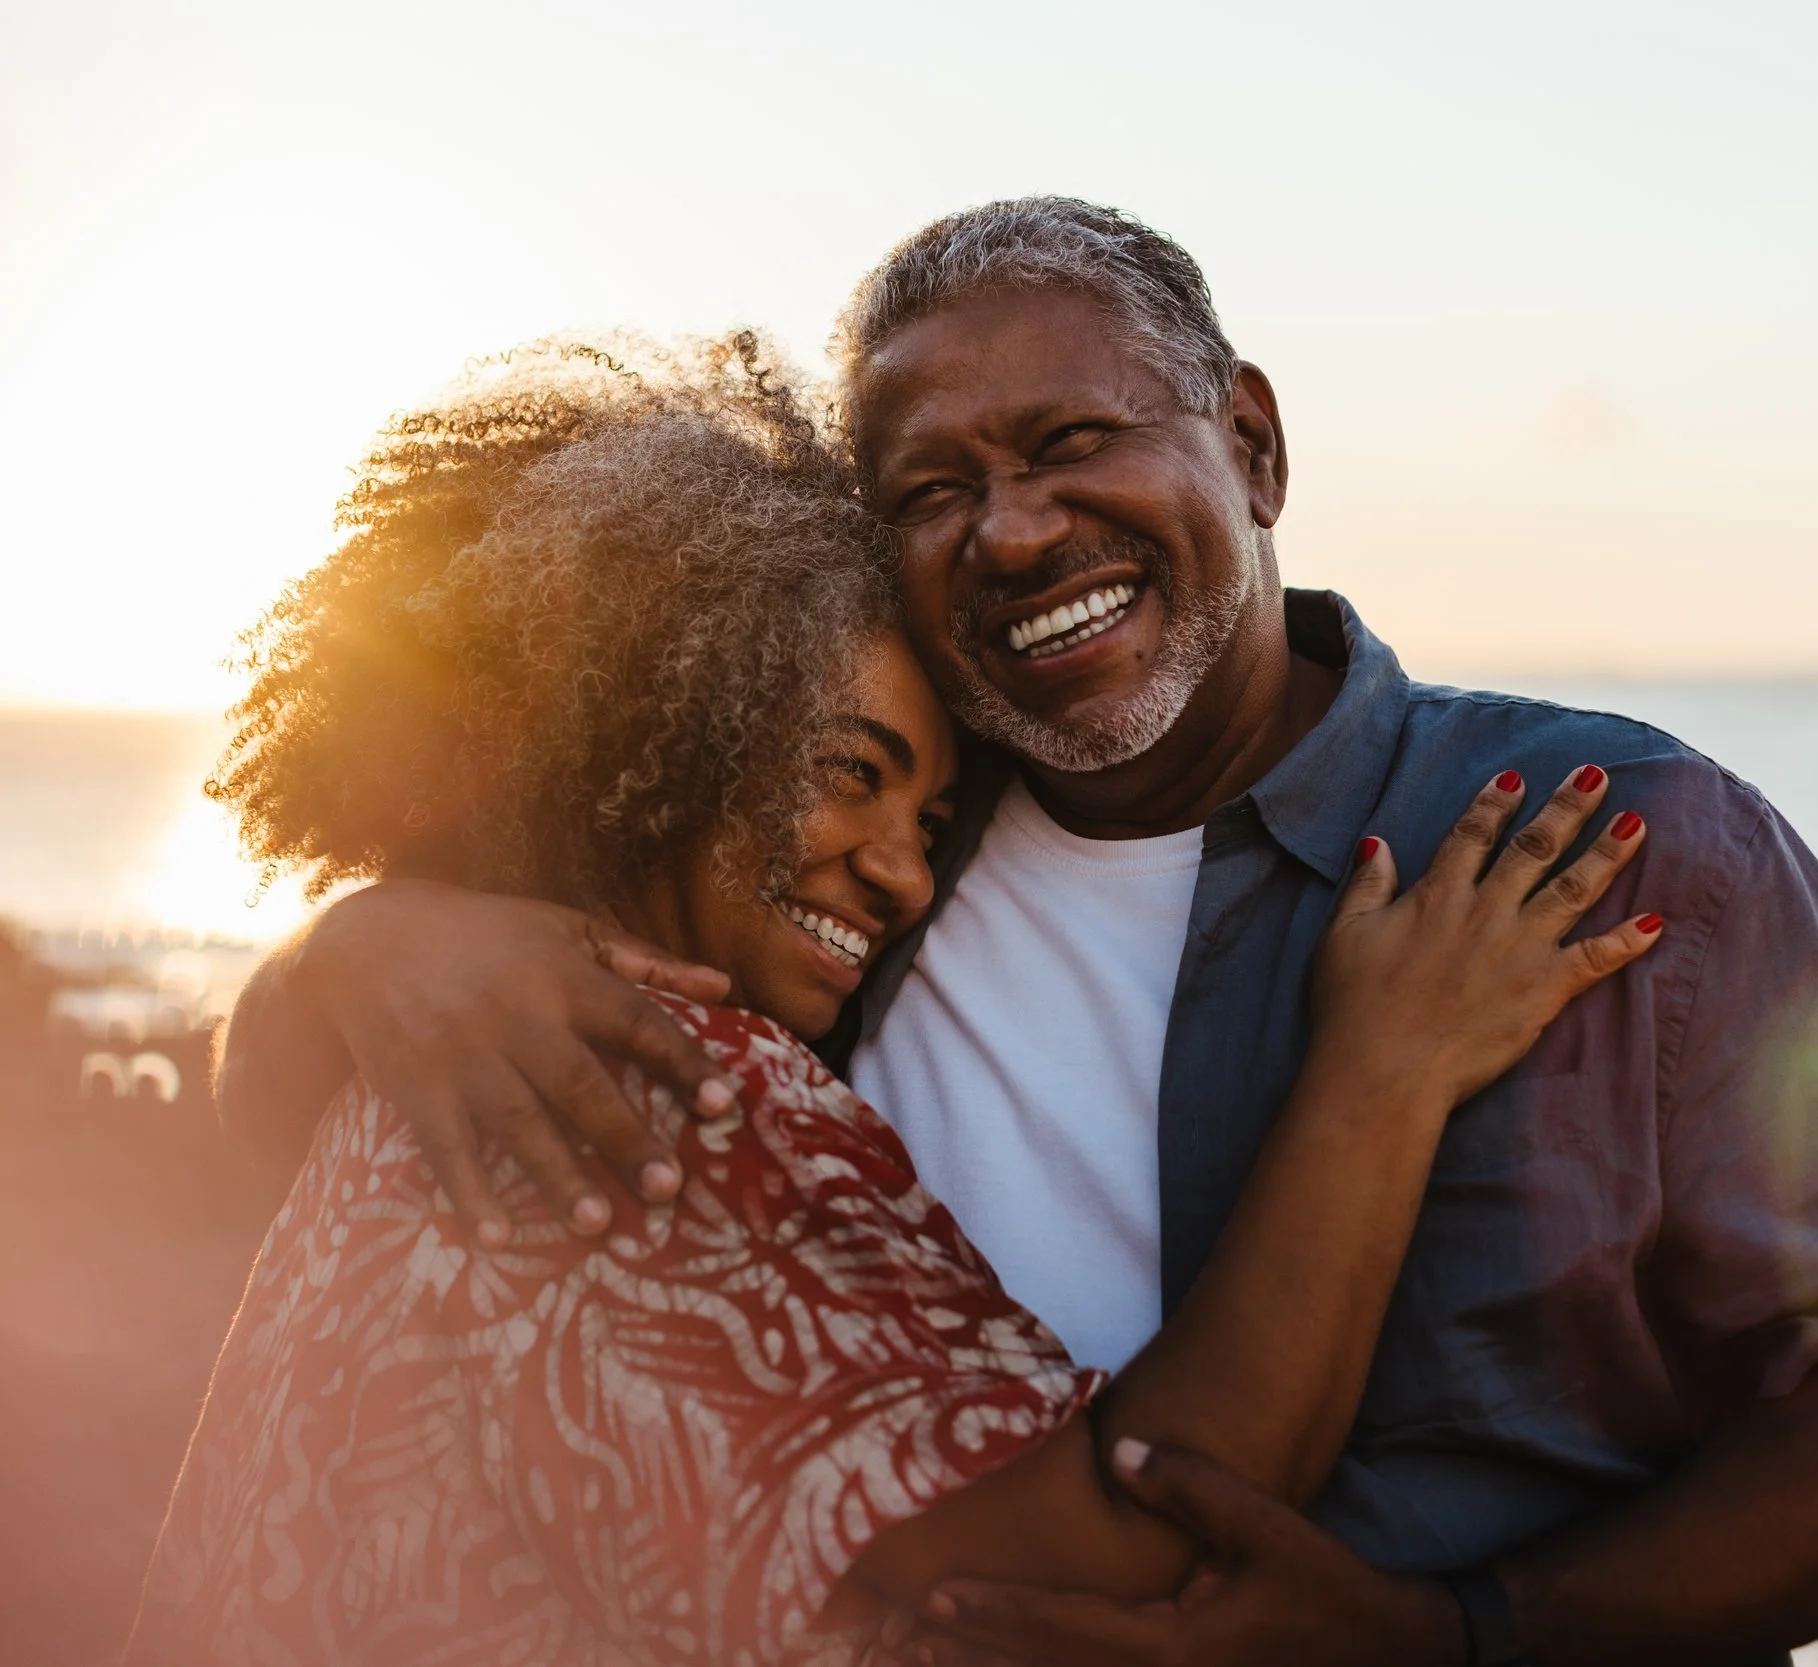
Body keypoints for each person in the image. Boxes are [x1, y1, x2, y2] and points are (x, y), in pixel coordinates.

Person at [215, 200, 1818, 1667]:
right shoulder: (836, 887)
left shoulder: (1614, 847)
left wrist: (1459, 1636)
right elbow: (331, 1132)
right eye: (931, 490)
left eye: (1075, 439)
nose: (1013, 528)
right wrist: (357, 941)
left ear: (1248, 441)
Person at [128, 333, 1662, 1666]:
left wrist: (357, 938)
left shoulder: (439, 1051)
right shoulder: (675, 1092)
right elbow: (1130, 1532)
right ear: (658, 727)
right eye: (849, 774)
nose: (904, 877)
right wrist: (1384, 1070)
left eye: (933, 824)